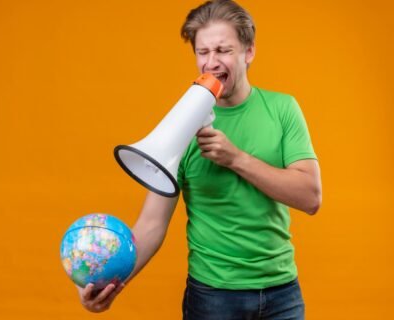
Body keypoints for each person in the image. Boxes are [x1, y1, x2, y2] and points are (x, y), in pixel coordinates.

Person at [77, 0, 322, 319]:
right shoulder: (180, 125)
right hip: (212, 299)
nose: (212, 62)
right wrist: (110, 284)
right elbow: (151, 224)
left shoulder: (283, 109)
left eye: (223, 50)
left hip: (282, 294)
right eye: (203, 52)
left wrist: (235, 159)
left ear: (248, 53)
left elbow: (310, 197)